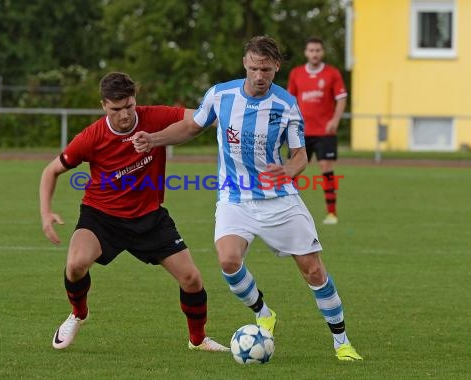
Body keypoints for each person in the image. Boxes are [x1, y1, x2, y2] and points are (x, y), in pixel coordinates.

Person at [133, 36, 362, 361]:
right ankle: (263, 312)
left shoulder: (286, 106)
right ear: (245, 64)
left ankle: (342, 342)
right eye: (254, 68)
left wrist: (287, 170)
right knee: (227, 260)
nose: (259, 76)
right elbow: (190, 128)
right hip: (235, 197)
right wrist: (153, 139)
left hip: (279, 198)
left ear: (276, 67)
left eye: (266, 70)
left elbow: (300, 156)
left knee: (313, 270)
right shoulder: (220, 95)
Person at [39, 72, 228, 352]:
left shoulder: (155, 116)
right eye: (116, 109)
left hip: (149, 217)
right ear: (104, 105)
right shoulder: (91, 137)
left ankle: (198, 340)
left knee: (192, 279)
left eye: (129, 106)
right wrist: (46, 214)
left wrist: (229, 112)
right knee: (76, 264)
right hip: (101, 217)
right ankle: (78, 313)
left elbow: (201, 116)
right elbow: (51, 170)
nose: (125, 115)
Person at [287, 36, 348, 225]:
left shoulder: (332, 73)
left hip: (324, 131)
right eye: (311, 50)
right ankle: (288, 210)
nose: (314, 53)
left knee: (326, 169)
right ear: (306, 52)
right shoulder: (297, 73)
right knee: (293, 170)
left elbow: (341, 98)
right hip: (300, 131)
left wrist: (335, 119)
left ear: (322, 52)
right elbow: (290, 101)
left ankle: (332, 213)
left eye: (317, 50)